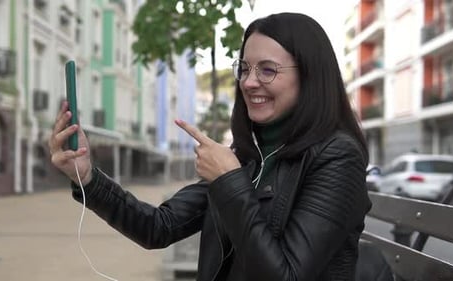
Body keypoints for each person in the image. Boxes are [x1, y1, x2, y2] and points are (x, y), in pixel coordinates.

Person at [49, 12, 371, 281]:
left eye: (268, 70)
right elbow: (158, 227)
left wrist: (230, 182)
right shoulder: (251, 156)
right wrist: (87, 177)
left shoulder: (338, 156)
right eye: (244, 68)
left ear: (310, 76)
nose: (248, 82)